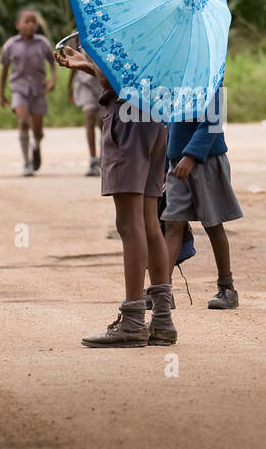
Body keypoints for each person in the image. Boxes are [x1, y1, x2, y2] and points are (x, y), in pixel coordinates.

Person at [54, 44, 175, 347]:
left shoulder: (125, 24)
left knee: (129, 224)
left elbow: (113, 80)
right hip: (154, 119)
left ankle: (133, 320)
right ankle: (162, 319)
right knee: (149, 220)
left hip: (127, 121)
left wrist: (93, 64)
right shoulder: (159, 29)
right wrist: (86, 66)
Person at [160, 85, 243, 309]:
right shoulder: (175, 77)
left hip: (206, 159)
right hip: (176, 162)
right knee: (173, 222)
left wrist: (191, 156)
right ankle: (162, 291)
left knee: (213, 223)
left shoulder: (212, 71)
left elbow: (213, 121)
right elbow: (168, 121)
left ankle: (227, 288)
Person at [0, 9, 55, 176]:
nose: (31, 25)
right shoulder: (11, 45)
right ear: (18, 25)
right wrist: (1, 93)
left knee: (37, 128)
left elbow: (52, 62)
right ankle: (27, 162)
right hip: (19, 88)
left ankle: (36, 144)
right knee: (23, 121)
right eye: (27, 21)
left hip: (39, 88)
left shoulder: (43, 43)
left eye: (34, 22)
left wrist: (53, 80)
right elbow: (5, 68)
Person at [69, 65, 103, 176]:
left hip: (102, 81)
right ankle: (93, 160)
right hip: (84, 82)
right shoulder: (78, 46)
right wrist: (69, 85)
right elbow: (74, 60)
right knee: (90, 114)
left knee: (103, 122)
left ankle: (104, 157)